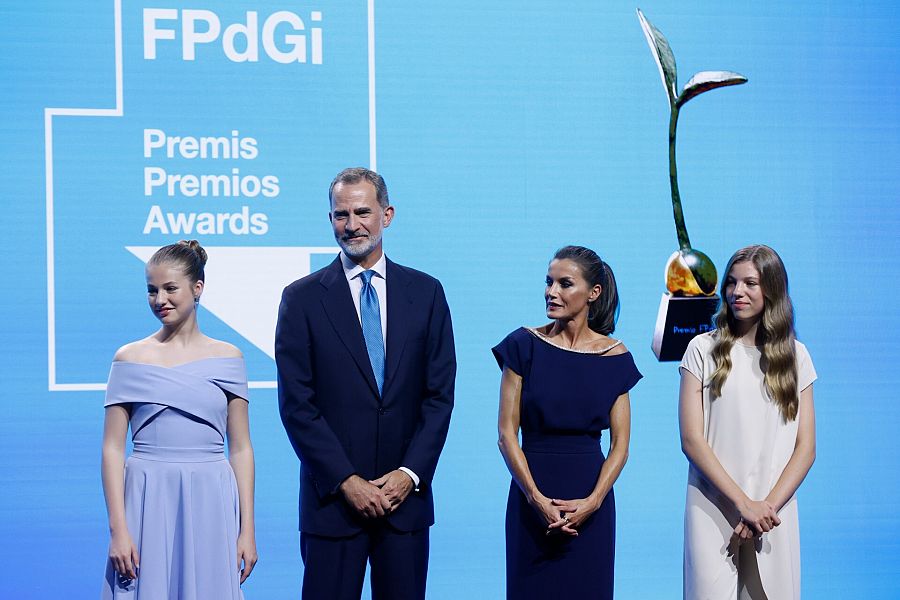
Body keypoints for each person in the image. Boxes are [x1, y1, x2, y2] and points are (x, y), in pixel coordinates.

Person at [275, 167, 455, 600]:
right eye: (341, 215)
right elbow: (298, 405)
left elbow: (438, 397)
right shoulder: (301, 299)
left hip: (404, 504)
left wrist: (409, 474)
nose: (351, 224)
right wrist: (346, 480)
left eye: (362, 212)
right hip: (333, 506)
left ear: (386, 215)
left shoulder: (426, 293)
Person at [101, 240, 257, 599]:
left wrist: (247, 528)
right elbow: (111, 449)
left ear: (197, 288)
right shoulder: (129, 358)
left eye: (170, 288)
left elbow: (241, 449)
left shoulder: (229, 358)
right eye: (152, 290)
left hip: (210, 497)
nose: (160, 299)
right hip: (147, 495)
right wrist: (118, 530)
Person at [493, 245, 642, 600]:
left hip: (590, 504)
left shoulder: (615, 357)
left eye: (564, 283)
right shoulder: (523, 345)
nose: (552, 292)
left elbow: (620, 446)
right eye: (549, 282)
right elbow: (506, 434)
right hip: (531, 502)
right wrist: (535, 499)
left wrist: (593, 501)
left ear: (594, 293)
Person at [679, 244, 817, 600]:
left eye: (750, 283)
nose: (737, 292)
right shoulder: (701, 349)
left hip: (773, 513)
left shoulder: (797, 357)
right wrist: (743, 504)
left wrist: (764, 508)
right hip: (712, 506)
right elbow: (691, 439)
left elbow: (805, 448)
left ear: (771, 289)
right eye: (732, 282)